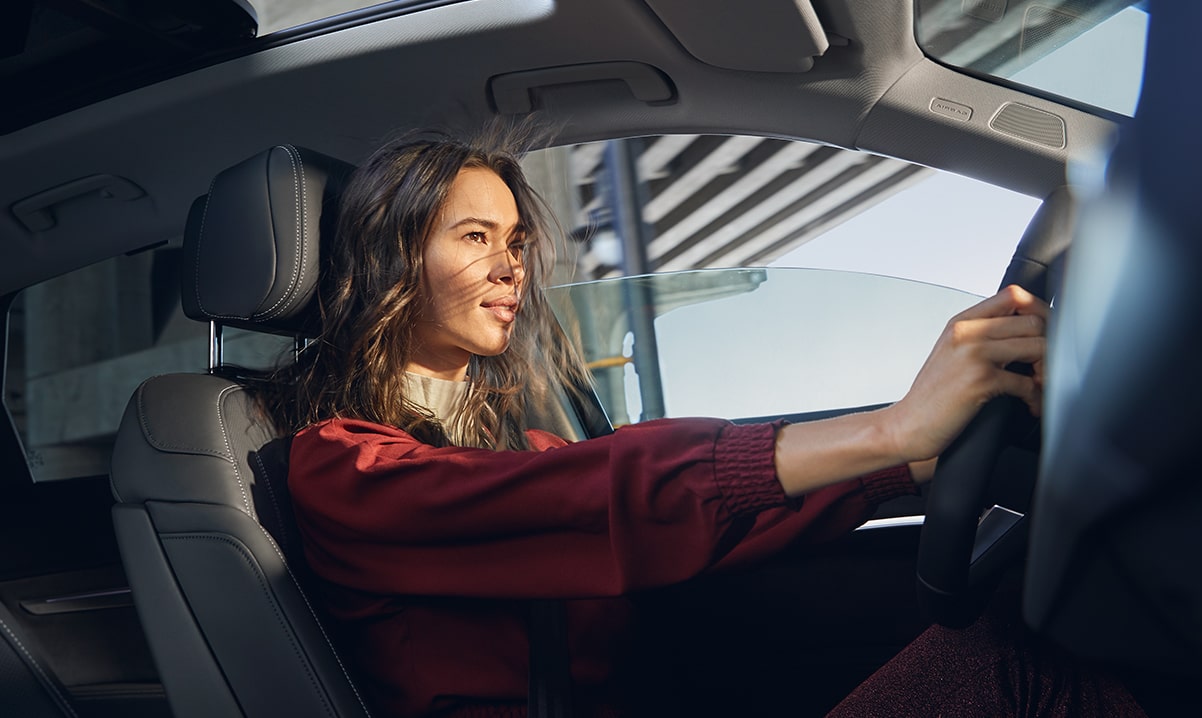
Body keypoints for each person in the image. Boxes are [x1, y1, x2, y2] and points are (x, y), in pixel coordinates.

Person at [261, 124, 1145, 718]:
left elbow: (704, 527)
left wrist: (917, 461)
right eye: (474, 237)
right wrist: (889, 429)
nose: (510, 267)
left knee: (1011, 639)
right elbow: (600, 492)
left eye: (517, 242)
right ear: (389, 256)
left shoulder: (520, 446)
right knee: (1013, 667)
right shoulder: (342, 474)